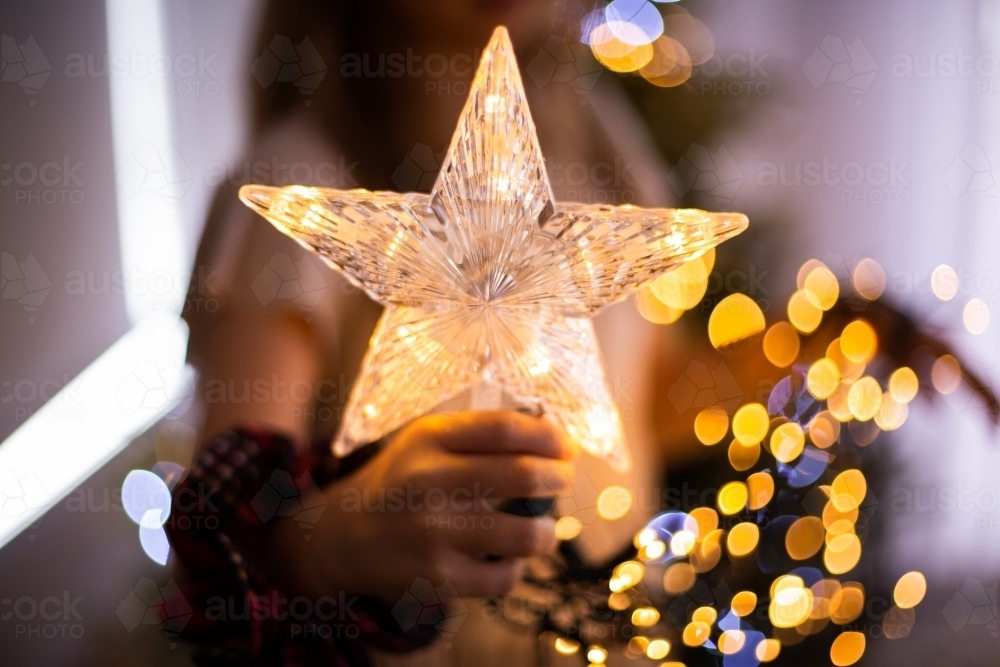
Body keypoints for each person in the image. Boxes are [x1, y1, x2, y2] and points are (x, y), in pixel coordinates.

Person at [171, 1, 673, 664]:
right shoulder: (301, 190)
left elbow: (646, 391)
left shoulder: (591, 127)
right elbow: (220, 548)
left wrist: (785, 362)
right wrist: (340, 538)